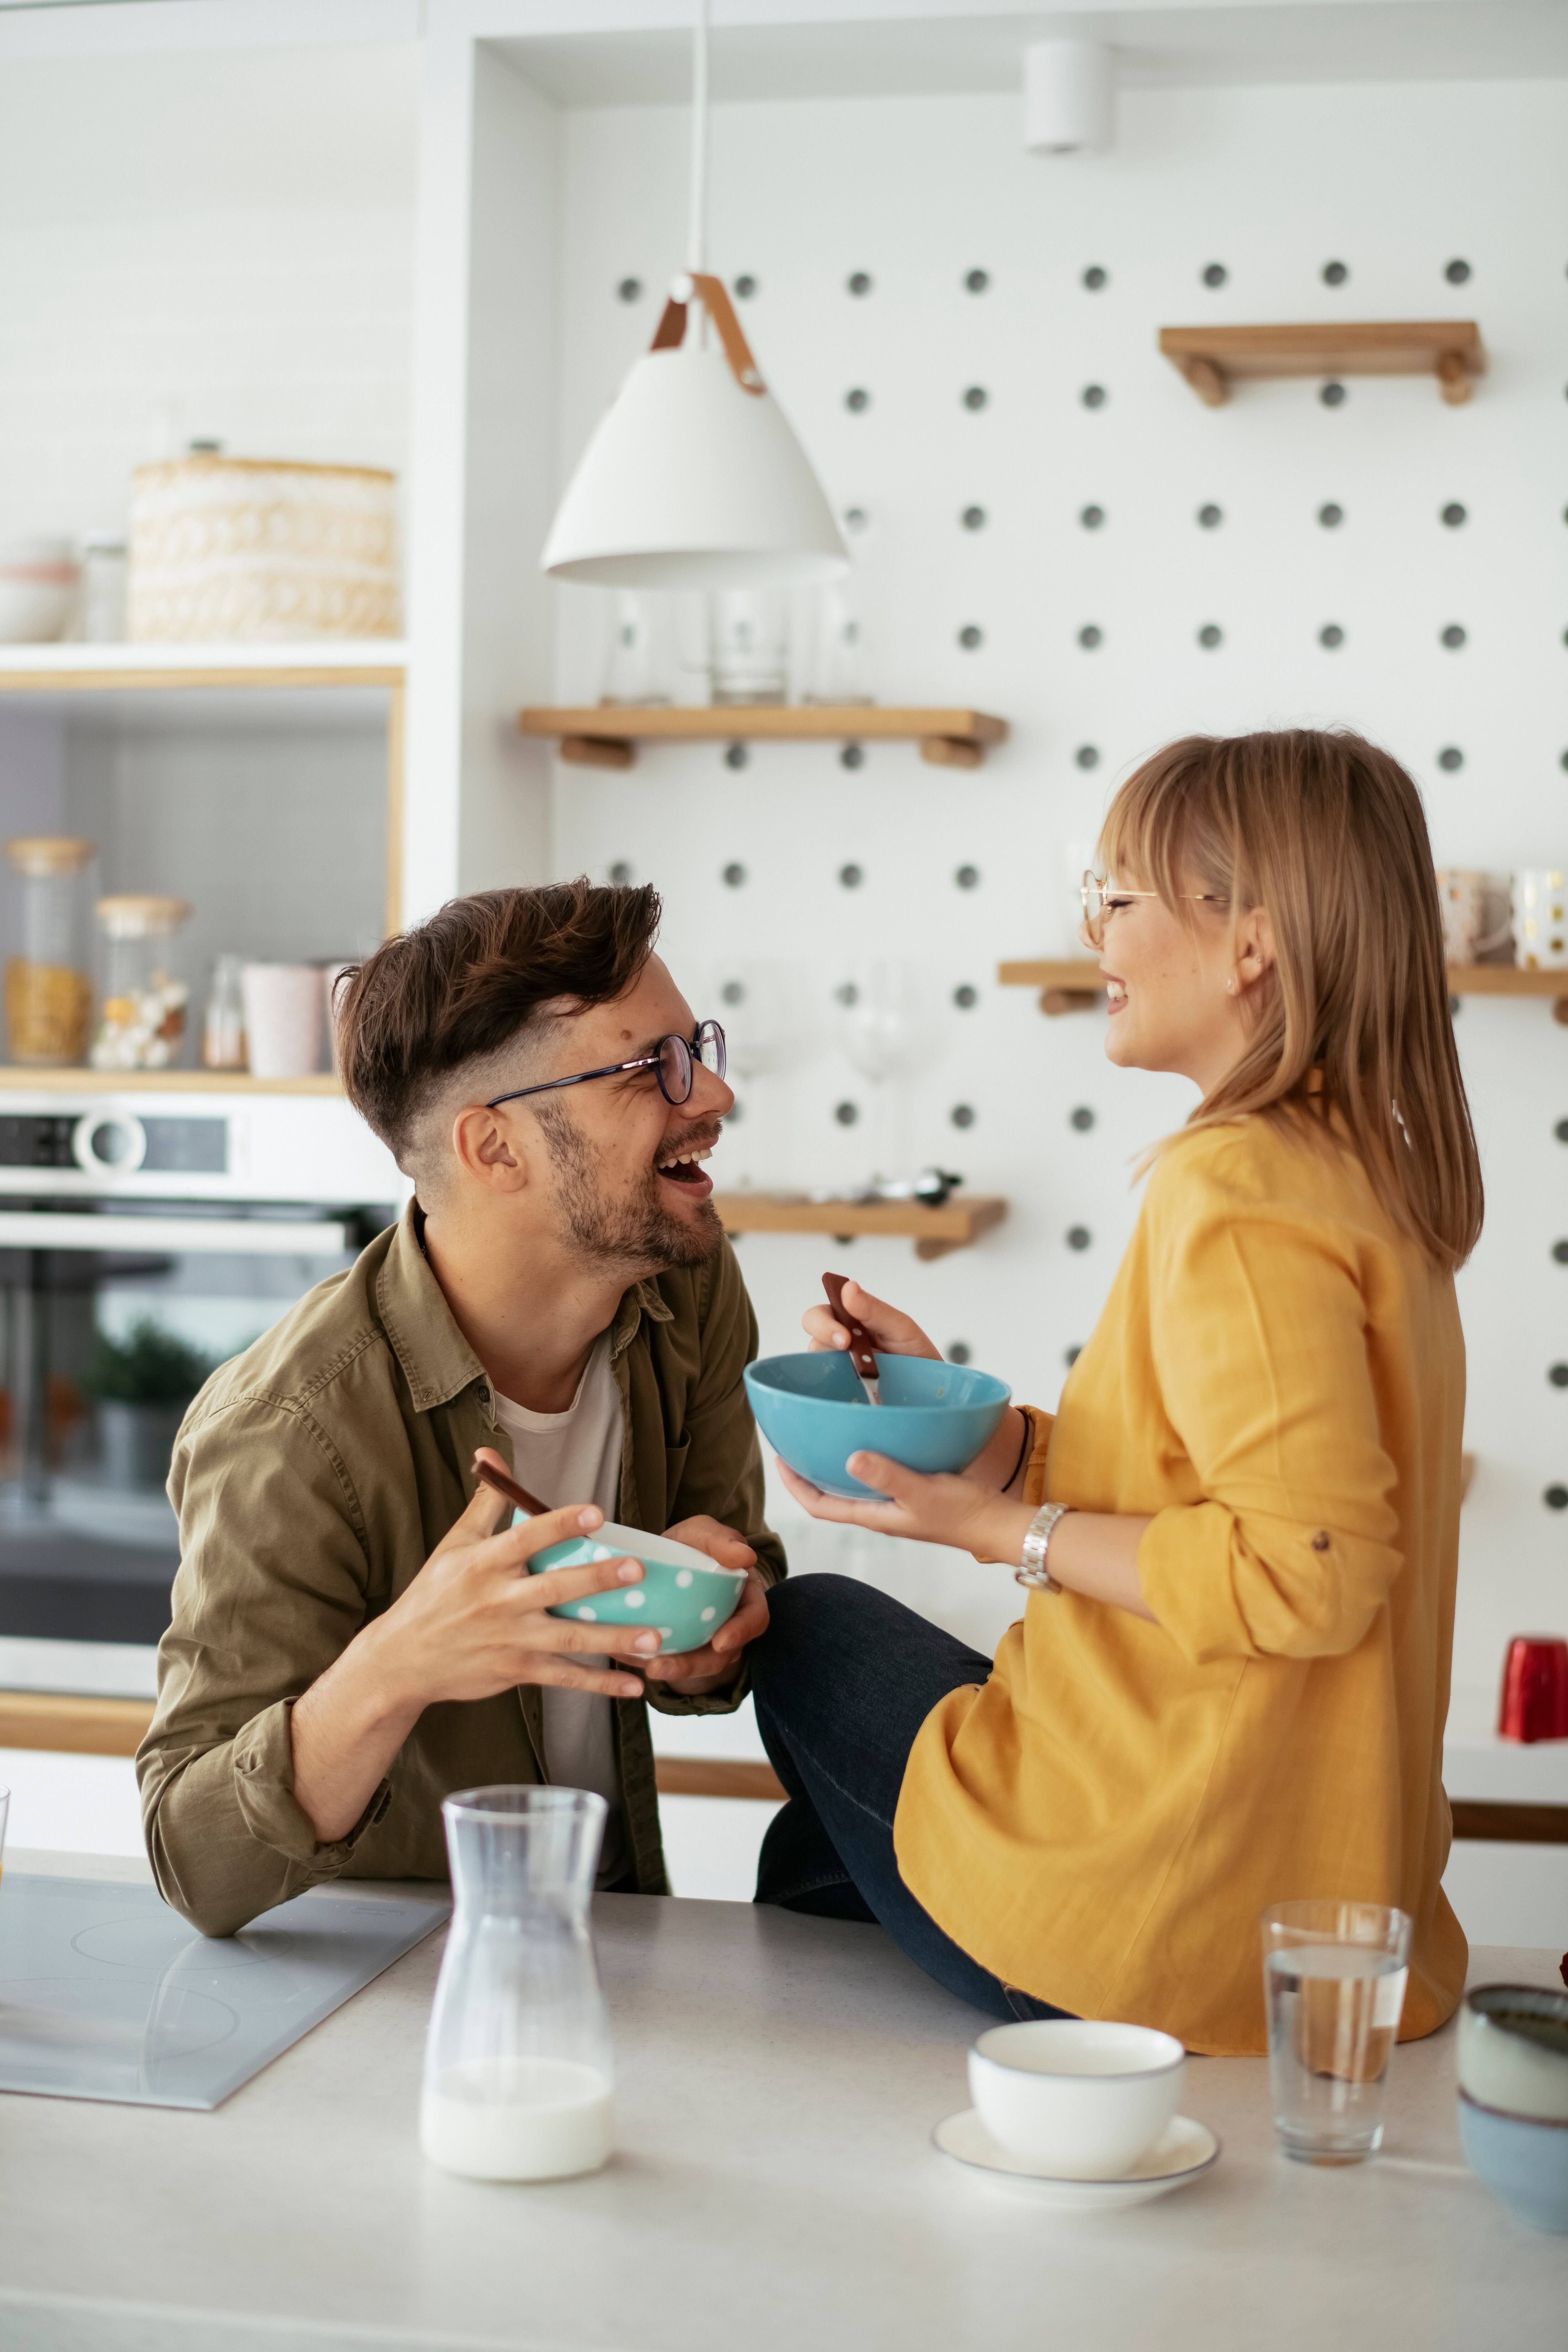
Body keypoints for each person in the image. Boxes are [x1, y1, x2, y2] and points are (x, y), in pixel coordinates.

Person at [752, 729, 1479, 2057]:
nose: (1094, 930)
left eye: (1119, 896)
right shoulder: (1365, 1175)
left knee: (801, 1632)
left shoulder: (1232, 1186)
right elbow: (1212, 1483)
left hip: (1168, 1921)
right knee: (812, 1856)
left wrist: (990, 1533)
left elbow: (1302, 1570)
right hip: (1319, 1916)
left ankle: (1016, 1967)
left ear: (1247, 941)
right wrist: (981, 1443)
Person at [138, 881, 782, 1937]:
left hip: (614, 1931)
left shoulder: (687, 1290)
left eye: (697, 1046)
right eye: (652, 1067)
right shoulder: (287, 1431)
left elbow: (728, 1594)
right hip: (387, 1984)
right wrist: (399, 1664)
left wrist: (720, 1626)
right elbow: (195, 1862)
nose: (709, 1091)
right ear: (494, 1148)